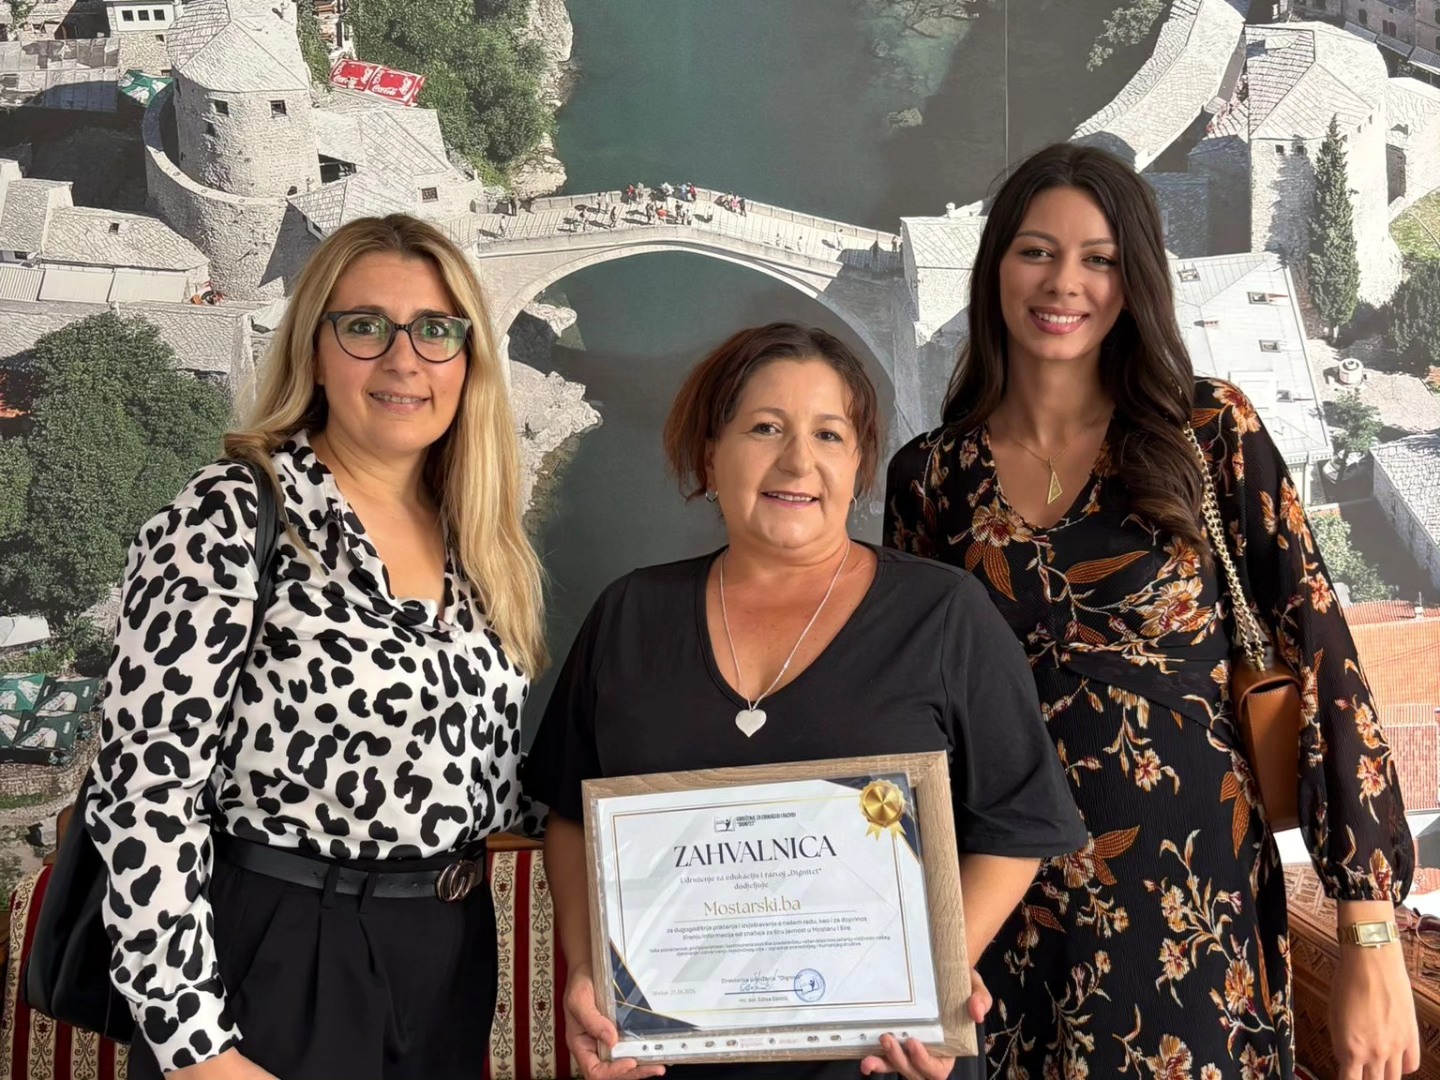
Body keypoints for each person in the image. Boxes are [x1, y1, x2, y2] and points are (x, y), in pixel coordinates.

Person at [884, 143, 1419, 1080]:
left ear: (1133, 280)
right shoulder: (931, 476)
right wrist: (907, 947)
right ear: (995, 267)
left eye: (1098, 258)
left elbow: (1326, 660)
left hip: (1191, 912)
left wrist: (1370, 935)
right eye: (1036, 251)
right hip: (998, 924)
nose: (1065, 282)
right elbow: (907, 727)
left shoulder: (1207, 430)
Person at [521, 322, 1089, 1080]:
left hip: (883, 1061)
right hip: (669, 1060)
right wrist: (593, 969)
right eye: (765, 428)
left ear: (858, 465)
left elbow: (1018, 828)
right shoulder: (629, 615)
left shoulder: (943, 614)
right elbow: (570, 813)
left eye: (829, 434)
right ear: (710, 453)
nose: (798, 461)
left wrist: (935, 976)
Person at [85, 214, 547, 1080]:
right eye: (366, 326)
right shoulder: (231, 514)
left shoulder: (478, 541)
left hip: (445, 958)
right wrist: (196, 1051)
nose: (404, 359)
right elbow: (144, 793)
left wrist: (641, 806)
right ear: (316, 349)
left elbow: (469, 776)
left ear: (469, 359)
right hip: (283, 954)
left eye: (436, 330)